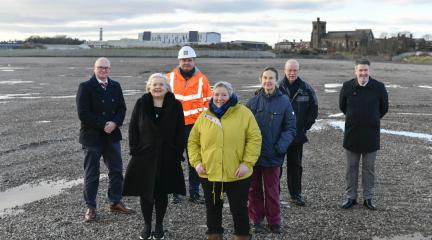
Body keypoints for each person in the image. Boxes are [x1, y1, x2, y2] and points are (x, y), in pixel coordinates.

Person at [188, 81, 262, 240]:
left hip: (237, 173)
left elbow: (255, 139)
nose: (219, 98)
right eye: (216, 94)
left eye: (223, 94)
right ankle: (214, 236)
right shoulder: (205, 115)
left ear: (230, 95)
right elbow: (193, 141)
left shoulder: (244, 113)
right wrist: (197, 163)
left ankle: (242, 236)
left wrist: (247, 163)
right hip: (210, 173)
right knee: (213, 209)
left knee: (239, 210)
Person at [123, 73, 186, 240]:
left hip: (167, 156)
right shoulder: (141, 103)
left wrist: (177, 152)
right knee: (146, 191)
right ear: (149, 87)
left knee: (162, 191)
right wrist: (134, 149)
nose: (157, 87)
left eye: (161, 84)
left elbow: (181, 131)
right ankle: (147, 224)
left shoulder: (175, 105)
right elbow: (133, 128)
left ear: (167, 87)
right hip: (145, 155)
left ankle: (159, 224)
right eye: (154, 84)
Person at [76, 57, 133, 222]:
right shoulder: (85, 87)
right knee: (91, 174)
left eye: (106, 68)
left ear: (110, 69)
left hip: (112, 136)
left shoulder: (115, 86)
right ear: (94, 68)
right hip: (92, 137)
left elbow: (122, 108)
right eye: (100, 67)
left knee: (116, 171)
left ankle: (115, 202)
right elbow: (83, 113)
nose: (103, 70)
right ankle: (91, 208)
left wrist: (115, 123)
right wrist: (103, 125)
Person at [246, 67, 297, 234]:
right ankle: (256, 220)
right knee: (253, 190)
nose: (268, 81)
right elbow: (244, 128)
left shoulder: (284, 102)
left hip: (273, 155)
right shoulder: (252, 103)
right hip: (253, 156)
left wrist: (280, 147)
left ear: (276, 80)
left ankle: (274, 221)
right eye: (265, 78)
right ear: (261, 79)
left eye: (271, 78)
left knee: (272, 190)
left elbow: (290, 128)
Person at [339, 58, 389, 210]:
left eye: (365, 70)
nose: (363, 73)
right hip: (352, 134)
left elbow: (384, 108)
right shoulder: (347, 86)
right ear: (356, 71)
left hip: (371, 135)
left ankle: (368, 198)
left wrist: (372, 119)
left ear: (369, 71)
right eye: (360, 70)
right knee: (351, 168)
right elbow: (342, 107)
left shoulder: (379, 87)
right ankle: (351, 197)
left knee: (369, 169)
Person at [167, 45, 212, 204]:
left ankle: (194, 192)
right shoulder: (168, 78)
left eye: (189, 60)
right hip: (174, 127)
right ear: (179, 61)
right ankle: (176, 192)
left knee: (195, 160)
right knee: (174, 160)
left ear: (194, 61)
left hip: (195, 127)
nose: (186, 62)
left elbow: (209, 105)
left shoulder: (202, 80)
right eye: (184, 60)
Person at [278, 59, 318, 206]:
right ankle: (274, 195)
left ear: (298, 71)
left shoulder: (306, 88)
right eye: (290, 70)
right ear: (285, 70)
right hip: (279, 136)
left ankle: (296, 194)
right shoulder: (277, 88)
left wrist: (305, 127)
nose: (292, 73)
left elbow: (313, 108)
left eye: (295, 70)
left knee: (295, 166)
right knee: (277, 167)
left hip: (297, 136)